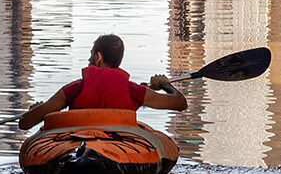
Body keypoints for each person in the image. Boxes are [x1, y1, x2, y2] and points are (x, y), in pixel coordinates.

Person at [17, 34, 185, 128]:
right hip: (120, 151)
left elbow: (25, 124)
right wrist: (165, 84)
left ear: (98, 57)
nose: (89, 59)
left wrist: (38, 110)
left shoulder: (75, 89)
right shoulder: (135, 92)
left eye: (91, 54)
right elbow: (180, 102)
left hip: (78, 146)